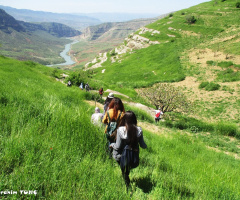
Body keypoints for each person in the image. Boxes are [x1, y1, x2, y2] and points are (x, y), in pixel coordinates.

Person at [110, 111, 147, 188]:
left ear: (125, 119)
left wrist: (112, 145)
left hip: (121, 155)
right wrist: (146, 146)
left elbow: (118, 146)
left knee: (123, 167)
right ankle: (126, 177)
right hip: (134, 157)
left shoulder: (121, 130)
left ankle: (127, 183)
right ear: (135, 120)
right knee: (126, 169)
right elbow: (143, 145)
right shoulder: (139, 130)